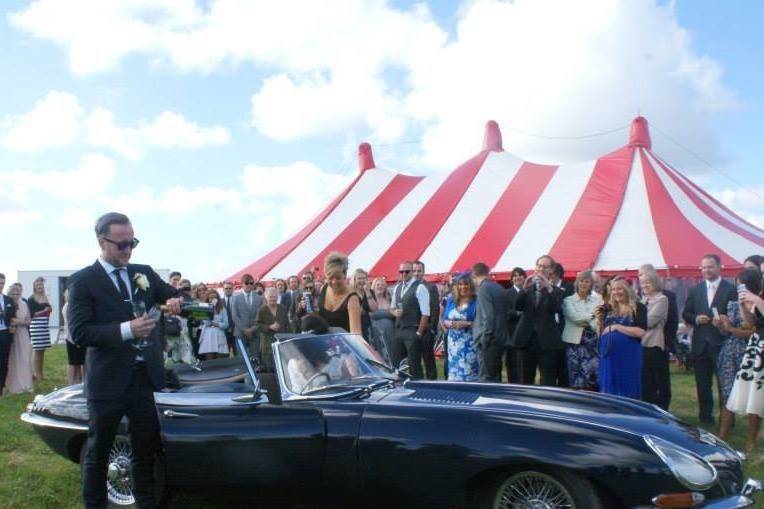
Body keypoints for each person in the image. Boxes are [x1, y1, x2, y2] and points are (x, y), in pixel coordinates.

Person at [67, 212, 182, 509]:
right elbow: (80, 332)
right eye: (121, 245)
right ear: (101, 242)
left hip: (144, 378)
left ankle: (146, 503)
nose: (128, 250)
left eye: (132, 243)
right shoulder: (83, 281)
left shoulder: (142, 272)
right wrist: (126, 330)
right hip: (107, 381)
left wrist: (175, 300)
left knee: (145, 450)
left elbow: (173, 292)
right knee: (99, 452)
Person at [682, 254, 738, 425]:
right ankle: (705, 418)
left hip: (723, 343)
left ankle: (727, 420)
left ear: (719, 267)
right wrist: (696, 319)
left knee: (725, 385)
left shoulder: (730, 289)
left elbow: (736, 316)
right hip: (700, 344)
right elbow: (686, 313)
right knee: (703, 384)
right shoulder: (695, 289)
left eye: (710, 266)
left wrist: (725, 320)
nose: (706, 270)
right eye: (704, 267)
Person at [723, 268, 764, 452]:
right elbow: (752, 322)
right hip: (757, 347)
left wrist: (756, 300)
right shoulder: (756, 298)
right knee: (754, 392)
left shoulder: (759, 298)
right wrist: (742, 306)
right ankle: (750, 438)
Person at [512, 255, 565, 386]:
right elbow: (517, 306)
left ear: (551, 270)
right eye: (539, 266)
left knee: (548, 379)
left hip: (546, 342)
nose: (541, 269)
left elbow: (556, 308)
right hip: (526, 340)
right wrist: (524, 289)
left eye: (544, 267)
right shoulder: (528, 288)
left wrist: (549, 288)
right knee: (525, 379)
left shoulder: (557, 291)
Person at [597, 278, 647, 399]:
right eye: (613, 289)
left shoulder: (638, 307)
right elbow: (602, 332)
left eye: (619, 288)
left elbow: (640, 332)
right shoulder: (608, 309)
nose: (615, 292)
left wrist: (617, 327)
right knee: (609, 386)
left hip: (628, 356)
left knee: (627, 386)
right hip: (608, 356)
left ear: (627, 290)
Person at [561, 271, 602, 391]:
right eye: (581, 281)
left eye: (587, 281)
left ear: (591, 284)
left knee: (592, 375)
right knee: (575, 375)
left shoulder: (598, 299)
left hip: (593, 343)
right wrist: (592, 315)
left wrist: (588, 318)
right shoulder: (568, 300)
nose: (584, 284)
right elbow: (575, 318)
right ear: (577, 283)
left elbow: (598, 321)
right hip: (574, 343)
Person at [390, 260, 430, 379]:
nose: (403, 274)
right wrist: (394, 312)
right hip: (398, 330)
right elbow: (391, 308)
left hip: (412, 330)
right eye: (401, 271)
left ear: (412, 272)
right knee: (397, 364)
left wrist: (418, 333)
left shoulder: (420, 287)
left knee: (414, 365)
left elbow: (425, 313)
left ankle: (420, 389)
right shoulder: (397, 287)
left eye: (406, 271)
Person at [639, 264, 671, 410]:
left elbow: (649, 321)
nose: (645, 285)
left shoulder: (662, 299)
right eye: (643, 282)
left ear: (655, 283)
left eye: (648, 282)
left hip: (654, 346)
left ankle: (662, 412)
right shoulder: (642, 300)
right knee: (646, 383)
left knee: (659, 383)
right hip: (641, 345)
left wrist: (634, 320)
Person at [470, 262, 509, 382]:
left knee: (486, 379)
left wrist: (484, 340)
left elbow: (488, 316)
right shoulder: (499, 287)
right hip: (500, 338)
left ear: (474, 275)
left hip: (489, 341)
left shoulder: (483, 289)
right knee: (495, 376)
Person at [442, 274, 478, 381]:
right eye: (460, 284)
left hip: (469, 345)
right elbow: (444, 318)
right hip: (453, 345)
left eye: (466, 284)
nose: (463, 287)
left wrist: (466, 324)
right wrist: (448, 323)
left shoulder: (476, 301)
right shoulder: (451, 300)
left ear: (471, 286)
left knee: (469, 374)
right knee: (454, 373)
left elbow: (482, 323)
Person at [317, 252, 362, 334]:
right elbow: (318, 315)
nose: (334, 282)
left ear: (345, 275)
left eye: (338, 278)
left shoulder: (352, 298)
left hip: (343, 344)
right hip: (323, 342)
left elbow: (356, 333)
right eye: (330, 278)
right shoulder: (324, 288)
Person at [413, 260, 440, 380]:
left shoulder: (431, 287)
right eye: (414, 271)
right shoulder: (407, 288)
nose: (416, 273)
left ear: (423, 272)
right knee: (414, 360)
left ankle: (433, 384)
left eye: (419, 271)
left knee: (428, 360)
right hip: (412, 329)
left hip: (427, 330)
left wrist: (432, 329)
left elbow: (435, 308)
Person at [4, 282, 33, 394]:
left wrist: (19, 322)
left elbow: (29, 321)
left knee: (24, 358)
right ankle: (10, 385)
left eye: (17, 293)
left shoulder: (24, 304)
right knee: (11, 359)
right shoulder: (7, 303)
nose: (15, 295)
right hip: (10, 334)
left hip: (23, 334)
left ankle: (25, 384)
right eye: (13, 294)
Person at [256, 287, 289, 371]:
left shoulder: (282, 308)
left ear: (278, 297)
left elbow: (287, 324)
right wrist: (269, 327)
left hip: (281, 342)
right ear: (266, 297)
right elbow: (257, 324)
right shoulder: (262, 310)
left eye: (274, 296)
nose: (273, 298)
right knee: (269, 367)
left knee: (282, 367)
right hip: (267, 343)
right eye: (270, 296)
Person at [231, 274, 262, 358]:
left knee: (255, 358)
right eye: (246, 283)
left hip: (255, 333)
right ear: (242, 284)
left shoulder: (259, 298)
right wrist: (245, 330)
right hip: (240, 333)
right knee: (242, 359)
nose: (249, 285)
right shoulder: (235, 298)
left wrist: (251, 329)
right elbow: (235, 316)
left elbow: (260, 317)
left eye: (251, 283)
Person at [28, 276, 52, 382]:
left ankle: (40, 372)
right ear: (34, 286)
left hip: (44, 326)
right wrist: (44, 311)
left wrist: (49, 309)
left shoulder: (45, 297)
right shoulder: (31, 298)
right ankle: (35, 374)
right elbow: (31, 314)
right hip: (36, 326)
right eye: (38, 285)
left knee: (42, 350)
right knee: (37, 350)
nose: (40, 286)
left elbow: (49, 309)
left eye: (41, 285)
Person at [505, 267, 526, 383]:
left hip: (526, 333)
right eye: (515, 276)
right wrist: (518, 314)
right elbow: (505, 312)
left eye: (520, 275)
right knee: (512, 362)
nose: (518, 277)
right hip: (512, 333)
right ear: (512, 279)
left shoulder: (528, 291)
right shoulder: (507, 293)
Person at [62, 288, 86, 385]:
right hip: (73, 337)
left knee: (81, 361)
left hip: (77, 336)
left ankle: (82, 382)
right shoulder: (69, 306)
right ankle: (72, 384)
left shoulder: (71, 305)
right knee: (74, 363)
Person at [369, 277, 395, 364]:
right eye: (378, 285)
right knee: (380, 355)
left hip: (391, 333)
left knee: (393, 353)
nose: (380, 286)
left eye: (382, 285)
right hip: (376, 334)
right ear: (373, 286)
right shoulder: (370, 300)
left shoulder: (390, 299)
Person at [198, 293, 229, 360]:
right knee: (209, 359)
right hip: (208, 336)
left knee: (221, 357)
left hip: (219, 334)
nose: (212, 299)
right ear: (208, 299)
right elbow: (206, 323)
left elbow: (226, 324)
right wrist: (210, 309)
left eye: (214, 298)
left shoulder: (222, 309)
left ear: (217, 299)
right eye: (210, 298)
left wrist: (216, 324)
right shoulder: (205, 308)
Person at [0, 273, 16, 395]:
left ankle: (1, 386)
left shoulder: (8, 300)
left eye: (2, 283)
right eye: (0, 283)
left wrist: (13, 327)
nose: (1, 285)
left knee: (4, 360)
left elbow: (13, 318)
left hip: (5, 334)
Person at [351, 268, 377, 341]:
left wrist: (367, 292)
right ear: (354, 280)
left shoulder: (369, 291)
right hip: (353, 326)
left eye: (364, 278)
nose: (362, 281)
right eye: (359, 278)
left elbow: (374, 308)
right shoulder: (350, 292)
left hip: (367, 326)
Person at [221, 281, 236, 355]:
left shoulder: (237, 300)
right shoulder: (219, 302)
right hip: (223, 332)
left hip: (236, 331)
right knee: (225, 355)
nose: (228, 290)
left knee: (238, 354)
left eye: (230, 288)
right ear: (223, 290)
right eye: (226, 288)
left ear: (233, 289)